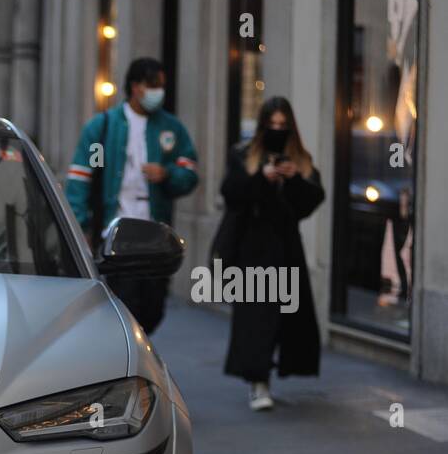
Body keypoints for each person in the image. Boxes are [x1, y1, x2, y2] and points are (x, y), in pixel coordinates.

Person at [66, 57, 199, 334]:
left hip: (154, 234)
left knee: (152, 306)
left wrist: (168, 174)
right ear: (136, 87)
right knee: (123, 306)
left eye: (161, 85)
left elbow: (189, 172)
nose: (158, 91)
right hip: (115, 234)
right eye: (153, 85)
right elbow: (81, 178)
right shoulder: (102, 128)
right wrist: (82, 226)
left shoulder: (170, 129)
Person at [215, 96, 325, 411]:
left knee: (285, 318)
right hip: (252, 248)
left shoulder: (300, 160)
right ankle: (257, 381)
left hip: (286, 247)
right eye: (272, 124)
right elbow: (230, 192)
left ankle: (270, 371)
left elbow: (310, 203)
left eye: (282, 124)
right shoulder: (243, 154)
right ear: (263, 125)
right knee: (256, 318)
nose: (277, 129)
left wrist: (291, 180)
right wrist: (260, 178)